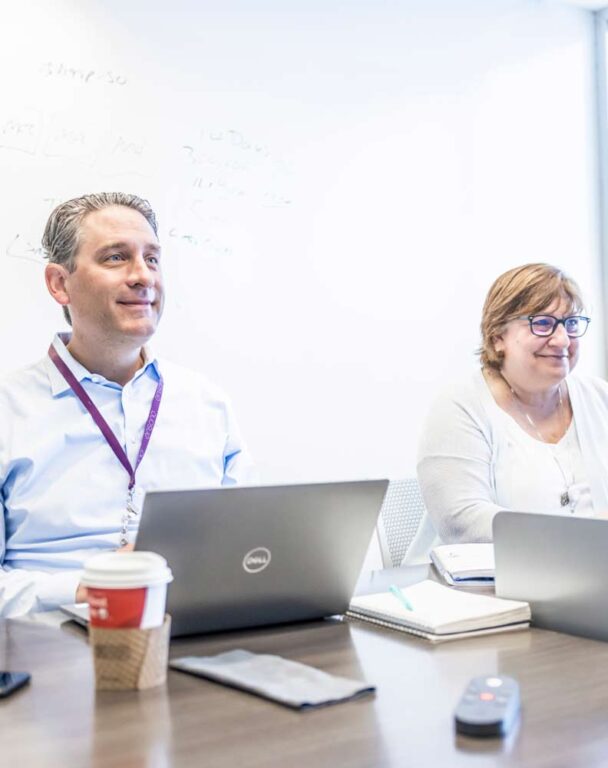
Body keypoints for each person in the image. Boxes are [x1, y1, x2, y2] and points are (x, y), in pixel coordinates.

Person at [0, 192, 255, 615]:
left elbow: (248, 546)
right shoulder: (9, 408)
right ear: (59, 283)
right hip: (46, 645)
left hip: (188, 632)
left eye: (152, 259)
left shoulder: (206, 403)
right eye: (116, 258)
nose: (143, 276)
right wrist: (90, 587)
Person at [404, 263, 608, 564]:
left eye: (571, 323)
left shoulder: (599, 397)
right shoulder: (461, 406)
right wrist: (581, 535)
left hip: (587, 580)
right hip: (477, 592)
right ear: (497, 335)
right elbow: (464, 524)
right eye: (542, 323)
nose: (563, 339)